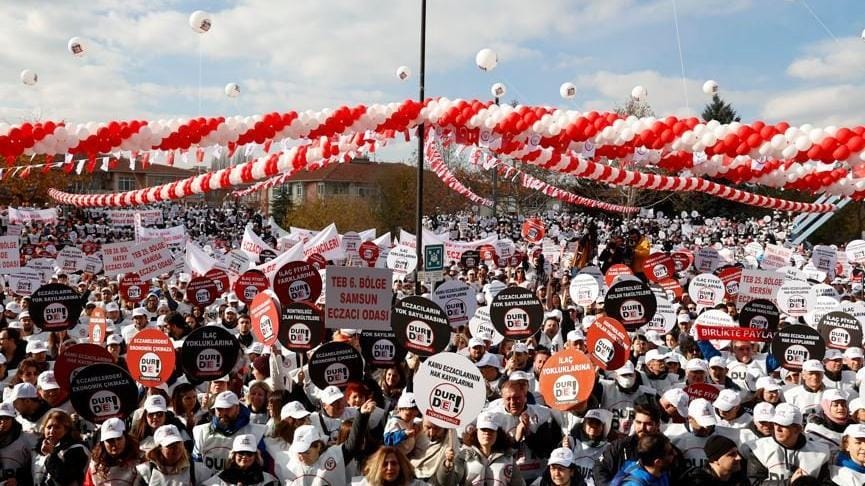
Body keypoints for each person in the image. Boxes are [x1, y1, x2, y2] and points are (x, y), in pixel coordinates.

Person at [276, 398, 375, 484]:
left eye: (306, 451)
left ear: (318, 446)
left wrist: (362, 416)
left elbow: (353, 445)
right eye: (299, 451)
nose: (301, 456)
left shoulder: (334, 456)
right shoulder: (284, 461)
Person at [744, 402, 831, 484]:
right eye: (775, 423)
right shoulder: (759, 448)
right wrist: (788, 483)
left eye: (783, 425)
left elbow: (825, 483)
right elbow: (755, 482)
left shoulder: (820, 452)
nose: (777, 429)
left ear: (798, 429)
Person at [435, 411, 525, 485]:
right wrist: (447, 464)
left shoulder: (508, 458)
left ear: (498, 433)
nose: (487, 433)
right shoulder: (464, 456)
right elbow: (446, 483)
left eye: (491, 430)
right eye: (483, 429)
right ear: (476, 431)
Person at [192, 390, 268, 477]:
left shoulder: (255, 432)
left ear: (238, 409)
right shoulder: (201, 431)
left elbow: (262, 465)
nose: (224, 413)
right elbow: (196, 466)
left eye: (228, 409)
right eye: (219, 409)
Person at [593, 403, 662, 486]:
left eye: (648, 424)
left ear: (657, 425)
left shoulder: (667, 451)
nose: (642, 427)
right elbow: (600, 468)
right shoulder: (620, 446)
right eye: (638, 422)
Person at [136, 424, 212, 486]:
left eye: (178, 443)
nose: (176, 448)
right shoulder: (145, 472)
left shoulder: (198, 470)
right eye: (170, 445)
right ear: (158, 449)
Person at [32, 409, 89, 486]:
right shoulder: (38, 450)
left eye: (57, 427)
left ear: (66, 430)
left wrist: (51, 455)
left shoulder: (77, 449)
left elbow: (67, 479)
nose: (52, 431)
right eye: (49, 427)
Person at [201, 434, 278, 485]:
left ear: (256, 456)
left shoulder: (268, 480)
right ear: (233, 455)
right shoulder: (220, 479)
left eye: (249, 453)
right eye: (241, 452)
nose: (244, 456)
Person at [83, 418, 140, 485]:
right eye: (110, 440)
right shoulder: (95, 465)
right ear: (103, 443)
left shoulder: (139, 461)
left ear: (126, 438)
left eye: (119, 438)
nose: (115, 443)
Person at [609, 434, 677, 486]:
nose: (675, 453)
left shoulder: (661, 472)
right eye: (670, 452)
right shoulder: (634, 483)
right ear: (658, 462)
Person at [681, 435, 748, 486]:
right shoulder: (696, 481)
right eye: (731, 454)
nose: (739, 457)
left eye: (737, 452)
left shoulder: (740, 476)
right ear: (714, 460)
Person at [0, 401, 34, 486]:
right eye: (0, 418)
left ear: (13, 419)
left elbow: (34, 467)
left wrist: (19, 481)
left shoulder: (27, 438)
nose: (3, 422)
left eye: (7, 418)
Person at [359, 445, 426, 486]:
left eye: (394, 463)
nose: (390, 468)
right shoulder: (365, 484)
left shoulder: (416, 484)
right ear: (377, 467)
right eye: (385, 464)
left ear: (400, 466)